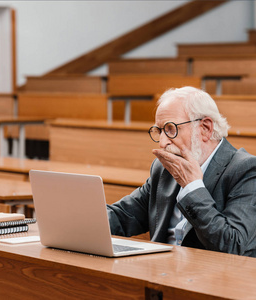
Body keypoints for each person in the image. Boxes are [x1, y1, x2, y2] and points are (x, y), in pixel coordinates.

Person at [107, 86, 256, 257]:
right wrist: (78, 220)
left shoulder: (247, 170)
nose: (162, 142)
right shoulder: (164, 169)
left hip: (210, 278)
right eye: (159, 131)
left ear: (205, 128)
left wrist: (193, 188)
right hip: (160, 271)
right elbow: (122, 216)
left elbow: (233, 246)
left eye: (171, 129)